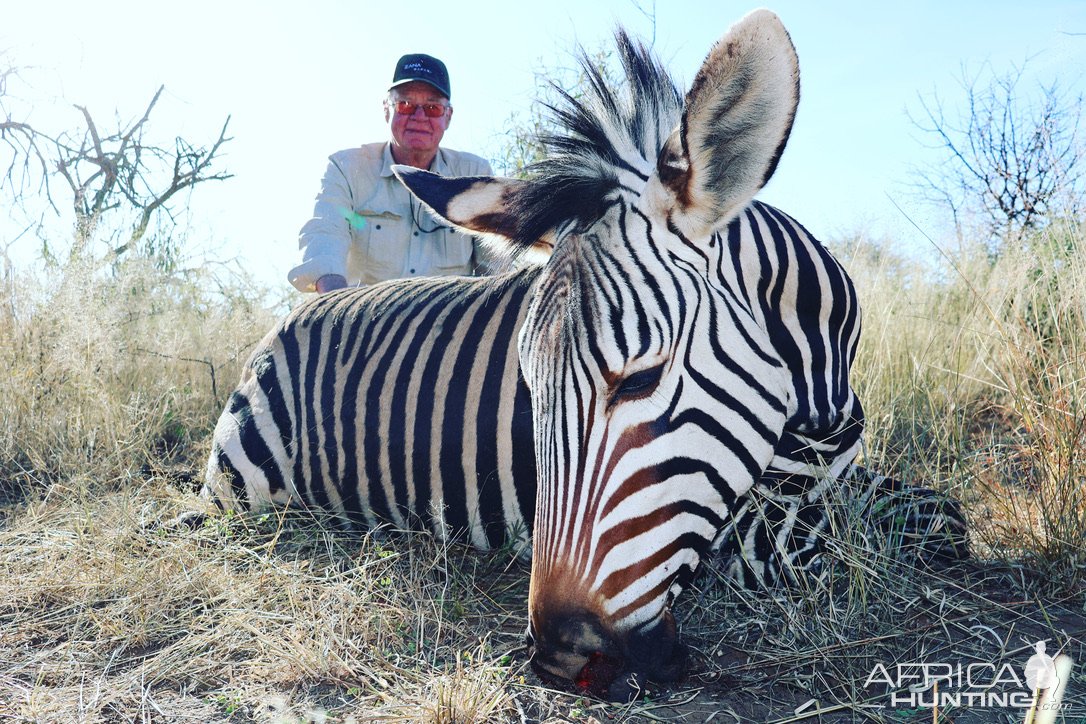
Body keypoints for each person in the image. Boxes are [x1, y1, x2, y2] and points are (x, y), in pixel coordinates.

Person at [289, 53, 494, 294]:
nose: (419, 117)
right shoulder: (347, 168)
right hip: (362, 322)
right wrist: (335, 308)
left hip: (447, 328)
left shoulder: (474, 176)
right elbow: (324, 234)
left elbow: (495, 270)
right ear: (387, 109)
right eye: (405, 105)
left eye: (432, 108)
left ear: (448, 117)